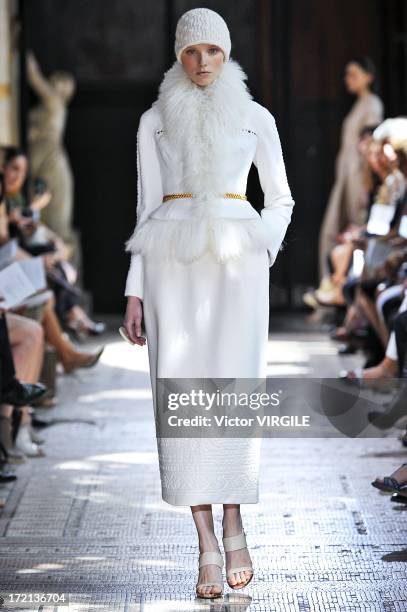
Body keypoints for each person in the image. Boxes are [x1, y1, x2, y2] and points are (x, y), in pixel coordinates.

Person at [123, 8, 295, 600]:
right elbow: (145, 209)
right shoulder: (153, 122)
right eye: (191, 52)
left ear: (227, 55)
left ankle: (235, 522)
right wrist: (134, 289)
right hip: (171, 266)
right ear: (178, 55)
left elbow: (280, 198)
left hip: (236, 269)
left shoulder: (255, 118)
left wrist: (259, 245)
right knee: (180, 392)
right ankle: (204, 543)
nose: (201, 62)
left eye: (212, 52)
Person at [318, 56, 384, 282]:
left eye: (354, 75)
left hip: (358, 176)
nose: (349, 80)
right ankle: (329, 294)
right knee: (332, 232)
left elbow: (369, 145)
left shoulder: (372, 104)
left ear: (369, 77)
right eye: (347, 75)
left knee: (353, 230)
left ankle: (347, 296)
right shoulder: (359, 104)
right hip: (346, 175)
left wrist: (366, 182)